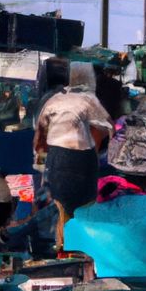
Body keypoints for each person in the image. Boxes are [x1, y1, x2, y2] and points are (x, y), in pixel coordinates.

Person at [34, 69, 113, 248]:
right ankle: (83, 250)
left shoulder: (54, 100)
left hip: (57, 159)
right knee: (85, 211)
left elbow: (39, 139)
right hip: (82, 160)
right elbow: (109, 127)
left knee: (61, 210)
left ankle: (63, 250)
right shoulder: (89, 100)